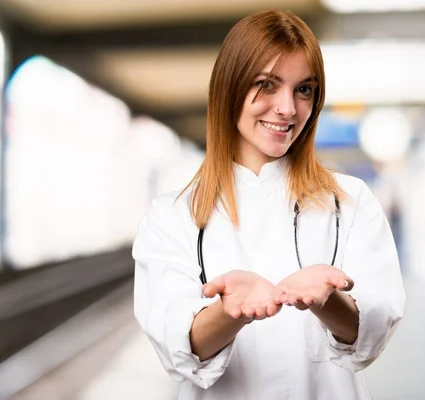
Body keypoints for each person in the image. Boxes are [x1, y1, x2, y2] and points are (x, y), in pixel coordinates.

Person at [133, 9, 406, 400]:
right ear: (230, 87)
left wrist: (329, 302)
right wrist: (229, 312)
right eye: (266, 85)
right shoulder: (172, 216)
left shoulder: (350, 202)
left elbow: (372, 332)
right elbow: (175, 343)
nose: (288, 109)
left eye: (304, 90)